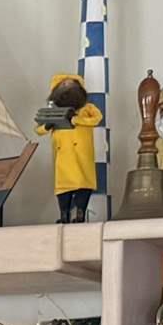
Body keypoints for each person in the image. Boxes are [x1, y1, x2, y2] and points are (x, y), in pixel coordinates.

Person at [36, 72, 105, 221]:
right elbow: (38, 129)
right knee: (63, 187)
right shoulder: (52, 112)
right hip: (63, 156)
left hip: (82, 154)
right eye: (64, 85)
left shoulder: (87, 108)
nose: (68, 86)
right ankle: (64, 215)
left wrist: (75, 119)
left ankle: (80, 214)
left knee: (83, 184)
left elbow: (97, 119)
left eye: (72, 84)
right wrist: (47, 126)